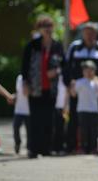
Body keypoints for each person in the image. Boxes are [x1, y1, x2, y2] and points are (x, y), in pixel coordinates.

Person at [64, 22, 98, 153]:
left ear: (96, 34)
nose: (89, 35)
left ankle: (95, 146)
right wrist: (68, 85)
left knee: (95, 122)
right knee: (74, 118)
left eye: (92, 32)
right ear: (83, 33)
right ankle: (72, 146)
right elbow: (67, 68)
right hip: (77, 90)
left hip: (95, 91)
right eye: (87, 32)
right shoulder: (74, 47)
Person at [21, 15, 65, 159]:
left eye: (49, 26)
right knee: (35, 119)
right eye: (44, 26)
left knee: (48, 119)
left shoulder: (57, 46)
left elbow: (64, 66)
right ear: (39, 29)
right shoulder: (32, 45)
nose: (48, 29)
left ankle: (45, 149)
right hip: (35, 88)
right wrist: (25, 83)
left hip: (50, 89)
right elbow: (24, 67)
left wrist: (56, 71)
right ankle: (33, 149)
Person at [70, 61, 98, 155]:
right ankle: (83, 148)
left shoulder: (97, 83)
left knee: (94, 130)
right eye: (86, 70)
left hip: (94, 110)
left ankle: (93, 148)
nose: (89, 72)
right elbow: (73, 94)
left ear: (94, 71)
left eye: (91, 70)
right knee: (83, 130)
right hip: (82, 109)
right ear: (83, 71)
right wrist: (72, 87)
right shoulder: (79, 82)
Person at [13, 74, 31, 155]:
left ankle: (29, 148)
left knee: (29, 130)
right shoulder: (19, 78)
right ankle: (18, 143)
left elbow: (27, 93)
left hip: (29, 110)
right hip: (18, 109)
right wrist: (13, 97)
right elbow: (18, 92)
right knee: (15, 127)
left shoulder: (31, 78)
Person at [52, 75, 67, 155]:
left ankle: (60, 147)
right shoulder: (52, 79)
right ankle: (53, 147)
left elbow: (66, 94)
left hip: (61, 107)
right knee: (53, 128)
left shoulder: (63, 79)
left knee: (61, 128)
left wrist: (65, 107)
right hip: (53, 107)